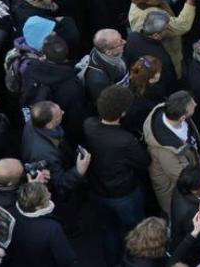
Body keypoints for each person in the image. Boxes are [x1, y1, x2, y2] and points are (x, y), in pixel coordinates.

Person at [83, 85, 150, 267]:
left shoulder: (89, 125)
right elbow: (144, 162)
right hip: (124, 194)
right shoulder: (125, 140)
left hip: (98, 190)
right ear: (122, 113)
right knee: (134, 232)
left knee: (108, 230)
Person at [142, 90, 200, 215]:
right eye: (192, 105)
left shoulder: (170, 112)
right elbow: (184, 180)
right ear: (182, 117)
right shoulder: (165, 151)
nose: (196, 104)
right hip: (178, 196)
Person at [6, 182, 77, 267]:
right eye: (46, 196)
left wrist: (33, 188)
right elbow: (66, 260)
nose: (50, 195)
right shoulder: (51, 229)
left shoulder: (10, 213)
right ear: (38, 206)